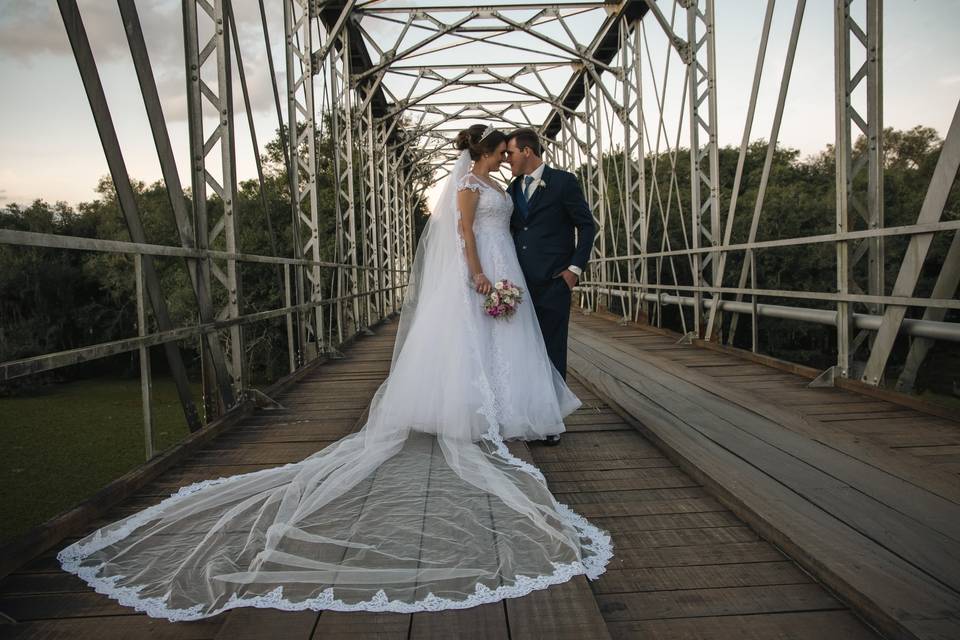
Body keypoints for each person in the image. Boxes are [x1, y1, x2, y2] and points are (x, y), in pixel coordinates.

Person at [57, 124, 611, 621]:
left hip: (519, 269)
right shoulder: (474, 186)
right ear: (491, 152)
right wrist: (476, 272)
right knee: (477, 340)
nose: (510, 160)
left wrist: (563, 268)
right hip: (487, 269)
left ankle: (512, 408)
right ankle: (475, 408)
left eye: (514, 154)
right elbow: (463, 233)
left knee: (511, 344)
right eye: (503, 153)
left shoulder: (509, 187)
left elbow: (545, 224)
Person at [506, 128, 596, 446]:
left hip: (554, 281)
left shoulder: (563, 182)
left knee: (552, 349)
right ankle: (529, 413)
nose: (507, 160)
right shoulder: (512, 187)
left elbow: (588, 226)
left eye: (511, 154)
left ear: (527, 151)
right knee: (524, 352)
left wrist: (574, 270)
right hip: (518, 285)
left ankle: (552, 421)